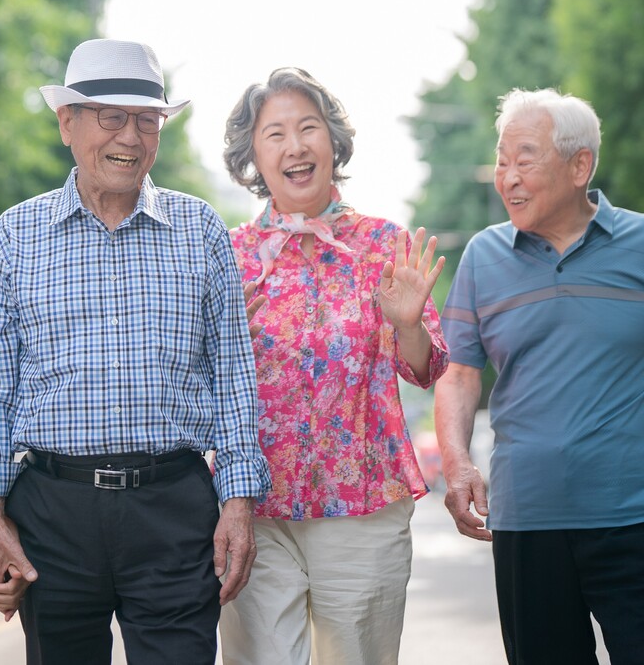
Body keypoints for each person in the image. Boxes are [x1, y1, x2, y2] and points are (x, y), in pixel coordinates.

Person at [0, 38, 270, 665]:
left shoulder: (200, 228)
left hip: (174, 509)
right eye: (112, 118)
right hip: (52, 513)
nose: (131, 136)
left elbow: (235, 375)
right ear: (67, 123)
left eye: (146, 119)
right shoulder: (14, 236)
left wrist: (237, 502)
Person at [218, 67, 449, 665]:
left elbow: (424, 369)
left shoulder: (383, 244)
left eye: (308, 128)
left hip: (362, 509)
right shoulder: (228, 256)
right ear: (253, 156)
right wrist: (217, 339)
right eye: (275, 134)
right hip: (254, 512)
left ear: (332, 142)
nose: (294, 146)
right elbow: (192, 385)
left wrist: (405, 323)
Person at [435, 88, 644, 664]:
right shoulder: (483, 256)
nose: (508, 178)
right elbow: (458, 373)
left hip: (633, 515)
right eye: (501, 162)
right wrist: (457, 464)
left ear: (581, 166)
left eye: (525, 159)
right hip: (529, 521)